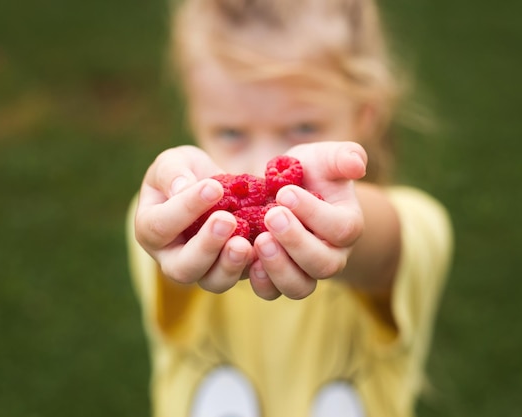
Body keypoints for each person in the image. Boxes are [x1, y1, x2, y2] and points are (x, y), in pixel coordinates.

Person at [127, 0, 453, 416]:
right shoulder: (160, 218)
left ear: (365, 116)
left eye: (302, 128)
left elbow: (381, 242)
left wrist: (343, 226)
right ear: (195, 116)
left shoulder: (418, 222)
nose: (260, 164)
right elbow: (162, 246)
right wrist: (173, 217)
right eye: (230, 132)